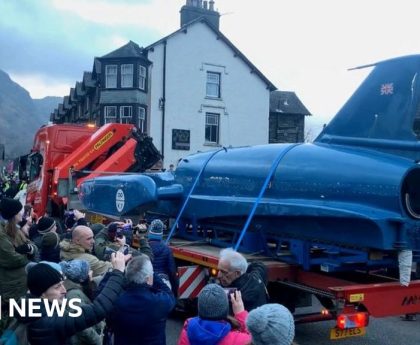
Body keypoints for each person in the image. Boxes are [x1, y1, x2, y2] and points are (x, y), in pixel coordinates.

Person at [19, 252, 126, 345]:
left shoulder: (31, 306)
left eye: (62, 284)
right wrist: (118, 273)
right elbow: (98, 310)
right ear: (42, 293)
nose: (64, 290)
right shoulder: (50, 321)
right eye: (57, 287)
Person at [107, 254, 176, 345]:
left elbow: (103, 293)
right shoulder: (159, 302)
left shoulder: (116, 301)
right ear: (148, 279)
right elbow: (169, 295)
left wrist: (115, 270)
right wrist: (153, 275)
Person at [0, 198, 37, 332]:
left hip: (19, 282)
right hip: (10, 284)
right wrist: (27, 254)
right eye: (20, 212)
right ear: (13, 214)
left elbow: (32, 245)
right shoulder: (1, 233)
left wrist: (30, 249)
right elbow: (10, 259)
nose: (22, 214)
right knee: (10, 319)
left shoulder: (16, 229)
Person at [177, 284, 251, 345]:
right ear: (225, 309)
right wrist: (241, 314)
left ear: (200, 308)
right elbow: (254, 339)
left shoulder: (187, 331)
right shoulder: (239, 340)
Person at [60, 259, 105, 345]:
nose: (91, 272)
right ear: (81, 279)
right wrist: (98, 340)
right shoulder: (73, 295)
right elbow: (81, 326)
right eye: (88, 271)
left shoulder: (77, 287)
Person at [148, 219, 179, 295]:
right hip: (162, 284)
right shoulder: (167, 250)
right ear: (161, 233)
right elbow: (172, 271)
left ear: (150, 231)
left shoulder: (145, 249)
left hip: (148, 283)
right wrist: (175, 290)